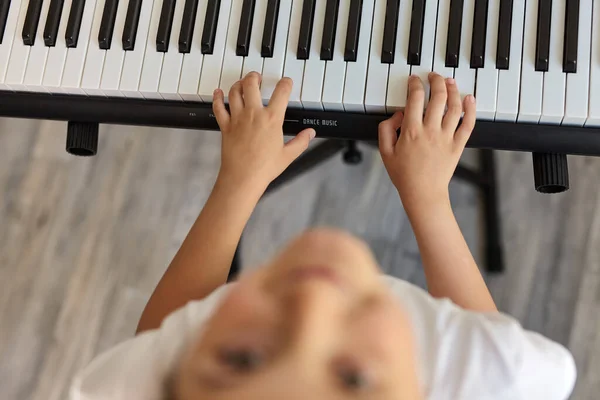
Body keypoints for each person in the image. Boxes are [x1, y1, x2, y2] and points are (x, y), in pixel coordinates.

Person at [70, 72, 576, 400]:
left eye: (242, 359)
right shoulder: (496, 377)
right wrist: (429, 198)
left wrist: (238, 183)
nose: (313, 299)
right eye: (353, 379)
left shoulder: (132, 381)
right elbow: (490, 347)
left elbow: (159, 338)